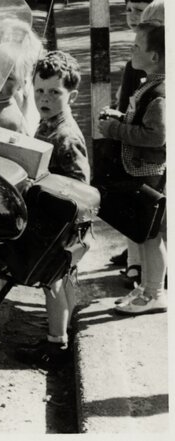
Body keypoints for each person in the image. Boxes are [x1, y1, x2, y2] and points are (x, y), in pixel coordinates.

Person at [15, 51, 90, 367]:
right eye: (40, 90)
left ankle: (56, 345)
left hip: (65, 223)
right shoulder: (47, 124)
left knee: (53, 282)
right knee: (62, 279)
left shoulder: (65, 134)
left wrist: (41, 184)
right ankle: (64, 332)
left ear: (72, 95)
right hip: (59, 221)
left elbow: (79, 185)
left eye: (54, 93)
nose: (44, 98)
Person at [99, 22, 166, 315]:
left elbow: (157, 136)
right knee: (145, 233)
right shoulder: (150, 84)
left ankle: (154, 293)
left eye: (137, 46)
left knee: (151, 234)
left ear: (155, 56)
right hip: (144, 169)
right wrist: (122, 120)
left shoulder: (159, 93)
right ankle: (146, 289)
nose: (131, 50)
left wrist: (115, 129)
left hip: (149, 172)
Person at [108, 0, 165, 282]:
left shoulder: (157, 80)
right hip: (141, 145)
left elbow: (154, 129)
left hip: (147, 158)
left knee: (147, 217)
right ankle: (137, 261)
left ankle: (147, 276)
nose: (134, 19)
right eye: (130, 11)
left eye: (142, 13)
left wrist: (118, 127)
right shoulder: (141, 59)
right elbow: (128, 96)